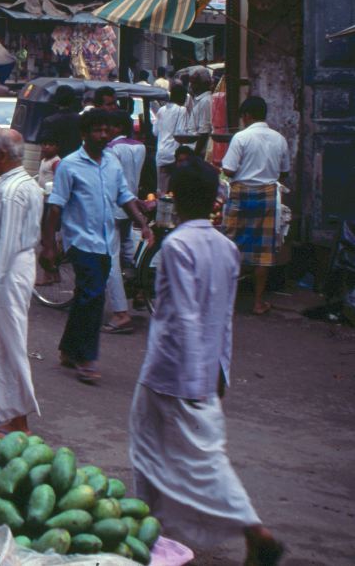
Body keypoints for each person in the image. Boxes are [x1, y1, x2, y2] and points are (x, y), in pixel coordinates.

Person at [128, 160, 284, 566]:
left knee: (174, 453)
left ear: (173, 199)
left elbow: (184, 317)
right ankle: (152, 524)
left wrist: (195, 381)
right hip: (202, 369)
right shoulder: (226, 247)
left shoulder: (177, 246)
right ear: (216, 198)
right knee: (191, 454)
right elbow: (223, 319)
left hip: (171, 372)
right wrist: (220, 372)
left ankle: (251, 528)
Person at [41, 109, 154, 384]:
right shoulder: (70, 164)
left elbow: (124, 195)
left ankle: (69, 349)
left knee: (85, 296)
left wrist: (142, 222)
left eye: (107, 130)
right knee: (94, 296)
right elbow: (55, 207)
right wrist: (49, 247)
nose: (104, 135)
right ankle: (86, 358)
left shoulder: (112, 163)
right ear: (84, 134)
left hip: (105, 241)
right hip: (80, 241)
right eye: (97, 130)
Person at [0, 128, 45, 438]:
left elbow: (8, 244)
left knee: (9, 345)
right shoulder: (17, 184)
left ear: (3, 155)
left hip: (7, 270)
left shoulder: (15, 190)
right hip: (7, 268)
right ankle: (7, 408)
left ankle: (17, 421)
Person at [221, 96, 291, 316]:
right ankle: (258, 302)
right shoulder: (279, 139)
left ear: (247, 115)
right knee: (262, 252)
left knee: (232, 246)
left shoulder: (241, 138)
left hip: (241, 194)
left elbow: (229, 170)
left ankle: (227, 301)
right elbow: (285, 172)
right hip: (268, 196)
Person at [104, 110, 147, 334]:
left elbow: (111, 180)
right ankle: (140, 290)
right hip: (130, 205)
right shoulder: (140, 147)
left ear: (117, 128)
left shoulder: (111, 150)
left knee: (112, 259)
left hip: (114, 206)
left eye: (108, 128)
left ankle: (120, 311)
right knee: (129, 252)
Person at [154, 84, 190, 195]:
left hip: (161, 155)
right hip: (175, 156)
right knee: (176, 193)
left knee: (162, 193)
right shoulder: (182, 110)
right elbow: (181, 133)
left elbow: (155, 132)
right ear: (181, 97)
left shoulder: (161, 110)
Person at [38, 85, 83, 158]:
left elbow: (46, 146)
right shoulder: (80, 119)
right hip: (76, 159)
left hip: (56, 162)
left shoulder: (49, 121)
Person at [188, 69, 214, 157]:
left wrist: (195, 155)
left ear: (202, 84)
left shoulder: (206, 101)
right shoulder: (198, 100)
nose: (191, 86)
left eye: (194, 83)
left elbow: (204, 132)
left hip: (197, 151)